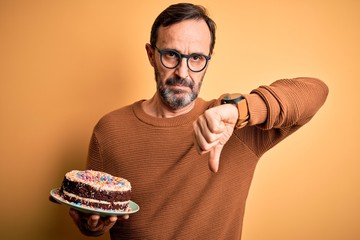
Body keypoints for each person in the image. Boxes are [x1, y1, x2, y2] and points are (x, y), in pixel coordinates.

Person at [68, 3, 328, 239]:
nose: (183, 72)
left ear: (208, 61)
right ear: (151, 54)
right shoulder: (110, 130)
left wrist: (241, 111)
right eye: (171, 55)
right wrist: (91, 227)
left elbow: (316, 90)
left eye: (196, 59)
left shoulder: (234, 124)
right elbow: (95, 214)